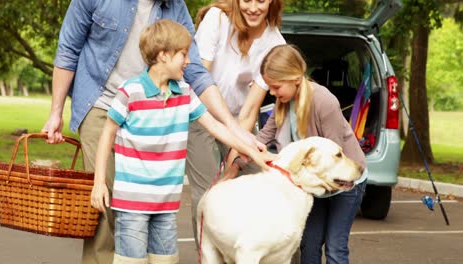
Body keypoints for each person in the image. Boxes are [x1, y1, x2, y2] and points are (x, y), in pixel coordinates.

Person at [42, 1, 266, 263]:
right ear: (163, 55)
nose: (187, 58)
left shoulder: (175, 8)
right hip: (100, 101)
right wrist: (56, 112)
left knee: (151, 234)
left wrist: (238, 133)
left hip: (155, 105)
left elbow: (196, 75)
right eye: (181, 54)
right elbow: (68, 50)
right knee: (105, 204)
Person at [225, 44, 368, 263]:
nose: (271, 93)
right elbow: (263, 138)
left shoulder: (324, 101)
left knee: (335, 247)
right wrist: (235, 164)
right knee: (308, 244)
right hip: (314, 183)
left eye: (276, 86)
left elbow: (333, 157)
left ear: (295, 79)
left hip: (345, 182)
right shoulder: (282, 104)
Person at [186, 0, 285, 242]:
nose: (253, 8)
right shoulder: (217, 20)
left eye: (260, 1)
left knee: (256, 183)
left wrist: (234, 160)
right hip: (201, 113)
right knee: (208, 194)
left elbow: (250, 109)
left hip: (239, 124)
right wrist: (218, 126)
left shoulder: (275, 43)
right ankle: (207, 256)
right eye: (246, 0)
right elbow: (200, 78)